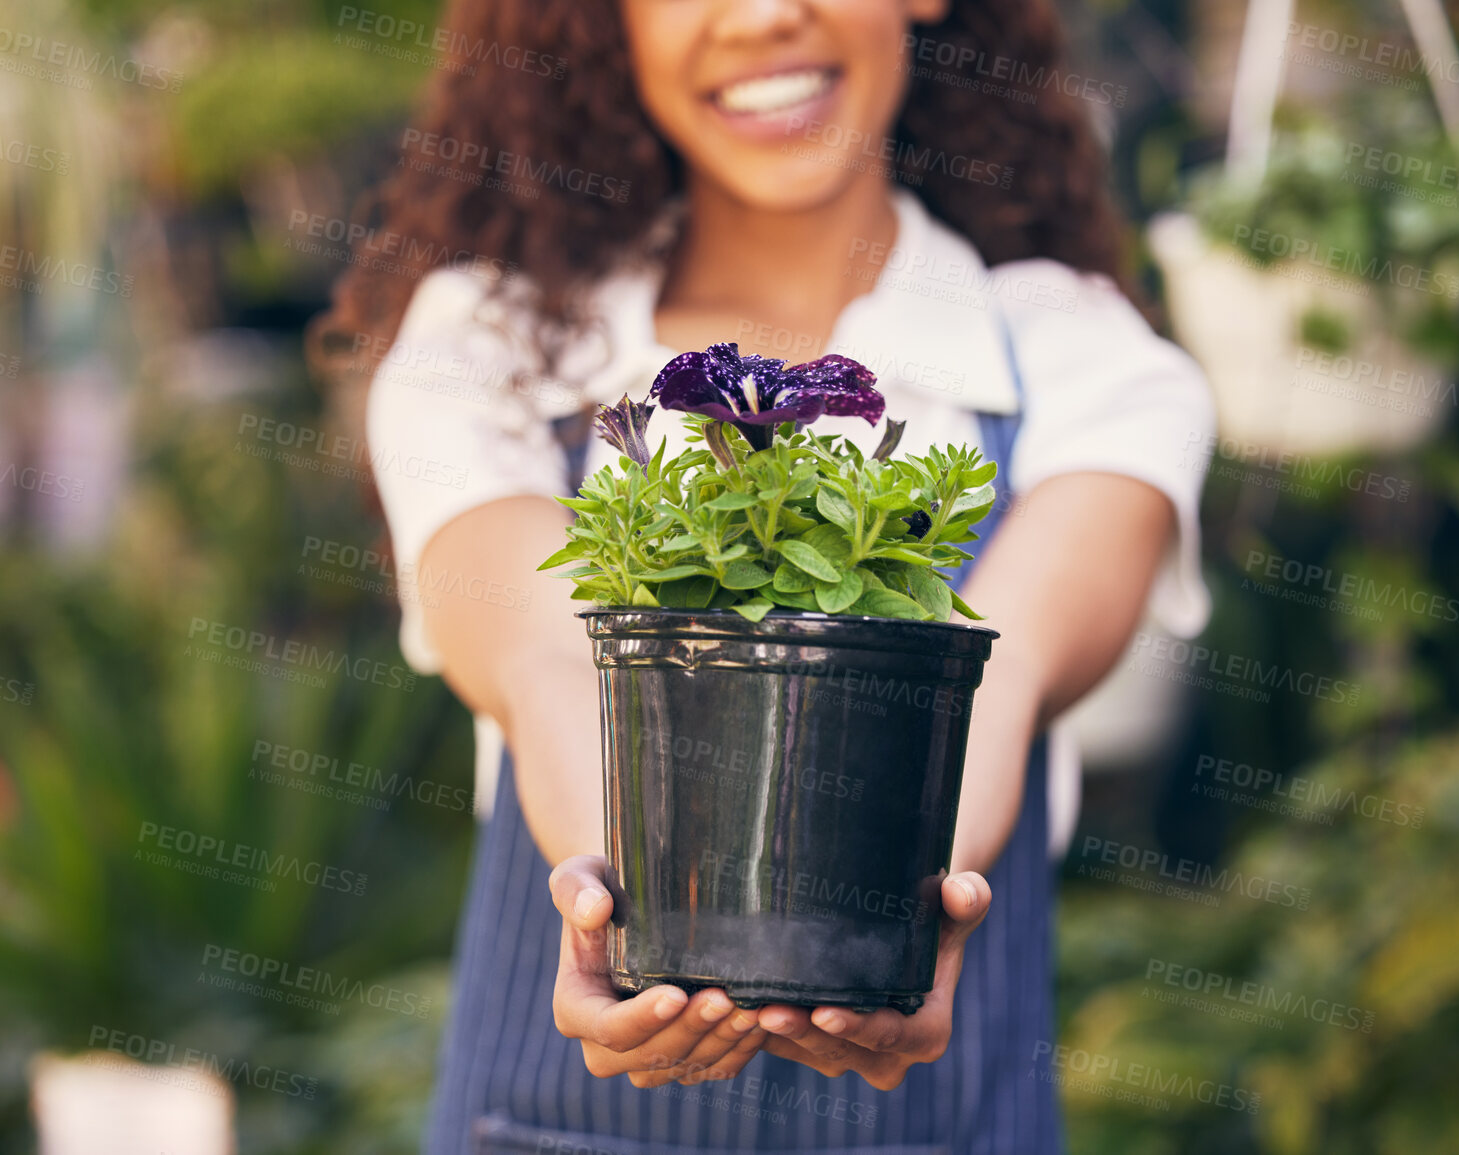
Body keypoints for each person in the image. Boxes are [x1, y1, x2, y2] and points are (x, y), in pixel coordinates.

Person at [313, 0, 1214, 1150]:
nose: (763, 13)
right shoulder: (490, 348)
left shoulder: (1076, 360)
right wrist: (628, 912)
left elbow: (1003, 662)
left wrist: (905, 897)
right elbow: (545, 655)